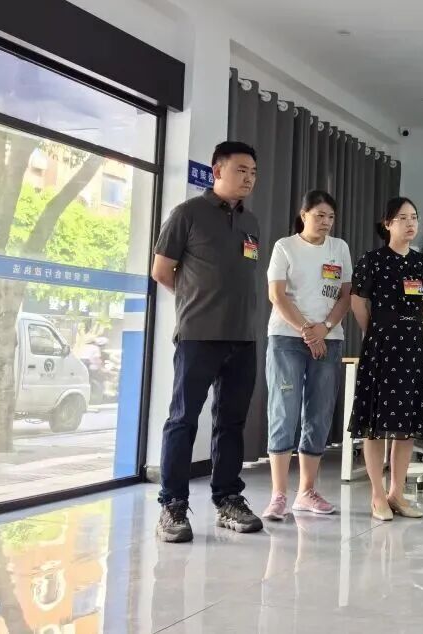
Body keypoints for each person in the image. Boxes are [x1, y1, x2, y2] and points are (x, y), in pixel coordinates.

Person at [150, 141, 264, 543]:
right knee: (183, 419)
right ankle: (173, 505)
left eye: (253, 172)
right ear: (217, 171)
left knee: (232, 422)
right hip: (198, 335)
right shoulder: (187, 213)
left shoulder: (251, 222)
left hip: (243, 337)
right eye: (241, 170)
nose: (248, 178)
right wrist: (195, 301)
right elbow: (162, 270)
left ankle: (228, 498)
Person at [261, 190, 354, 521]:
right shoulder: (285, 246)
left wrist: (324, 329)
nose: (326, 222)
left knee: (319, 412)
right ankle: (278, 495)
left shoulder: (339, 248)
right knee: (284, 410)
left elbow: (346, 296)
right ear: (304, 215)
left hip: (329, 338)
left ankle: (307, 491)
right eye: (319, 215)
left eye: (331, 216)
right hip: (287, 337)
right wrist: (306, 330)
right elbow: (277, 294)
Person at [347, 197, 423, 521]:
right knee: (375, 425)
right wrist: (376, 332)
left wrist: (408, 327)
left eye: (414, 217)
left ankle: (397, 493)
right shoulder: (372, 261)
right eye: (403, 218)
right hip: (381, 346)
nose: (410, 223)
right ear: (387, 223)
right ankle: (377, 496)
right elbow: (358, 302)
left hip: (414, 346)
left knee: (406, 425)